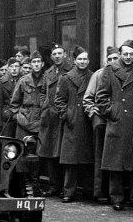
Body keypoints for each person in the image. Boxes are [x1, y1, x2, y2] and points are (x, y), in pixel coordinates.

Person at [95, 40, 133, 211]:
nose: (128, 57)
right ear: (120, 54)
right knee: (116, 164)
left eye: (131, 54)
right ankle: (116, 198)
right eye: (125, 54)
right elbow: (101, 97)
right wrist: (114, 112)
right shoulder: (110, 70)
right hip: (117, 123)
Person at [55, 46, 94, 203]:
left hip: (87, 122)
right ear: (74, 60)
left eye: (85, 59)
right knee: (71, 162)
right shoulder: (66, 78)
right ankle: (68, 192)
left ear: (88, 60)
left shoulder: (93, 76)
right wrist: (67, 115)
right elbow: (59, 101)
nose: (83, 62)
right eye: (80, 59)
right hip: (72, 123)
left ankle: (88, 191)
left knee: (87, 161)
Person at [82, 46, 119, 203]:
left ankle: (116, 192)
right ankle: (99, 191)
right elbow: (87, 98)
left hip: (117, 119)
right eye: (109, 59)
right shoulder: (98, 75)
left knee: (115, 156)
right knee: (100, 156)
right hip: (101, 120)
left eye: (114, 59)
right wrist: (94, 113)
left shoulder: (122, 74)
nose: (111, 62)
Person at [9, 51, 45, 196]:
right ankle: (24, 185)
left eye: (38, 62)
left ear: (42, 64)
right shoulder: (23, 81)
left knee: (38, 156)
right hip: (25, 122)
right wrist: (20, 117)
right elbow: (14, 104)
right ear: (30, 64)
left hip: (41, 121)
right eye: (34, 62)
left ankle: (35, 185)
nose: (36, 64)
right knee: (22, 155)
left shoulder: (47, 80)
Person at [39, 43, 72, 197]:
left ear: (65, 54)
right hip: (50, 117)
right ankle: (54, 186)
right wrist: (43, 106)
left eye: (60, 53)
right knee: (50, 153)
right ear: (51, 57)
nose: (57, 56)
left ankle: (66, 188)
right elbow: (42, 91)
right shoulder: (48, 73)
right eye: (54, 54)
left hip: (64, 117)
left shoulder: (71, 70)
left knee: (63, 154)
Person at [0, 58, 21, 137]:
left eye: (16, 66)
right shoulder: (1, 82)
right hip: (6, 119)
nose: (14, 69)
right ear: (8, 68)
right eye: (11, 66)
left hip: (20, 118)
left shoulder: (23, 81)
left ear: (20, 68)